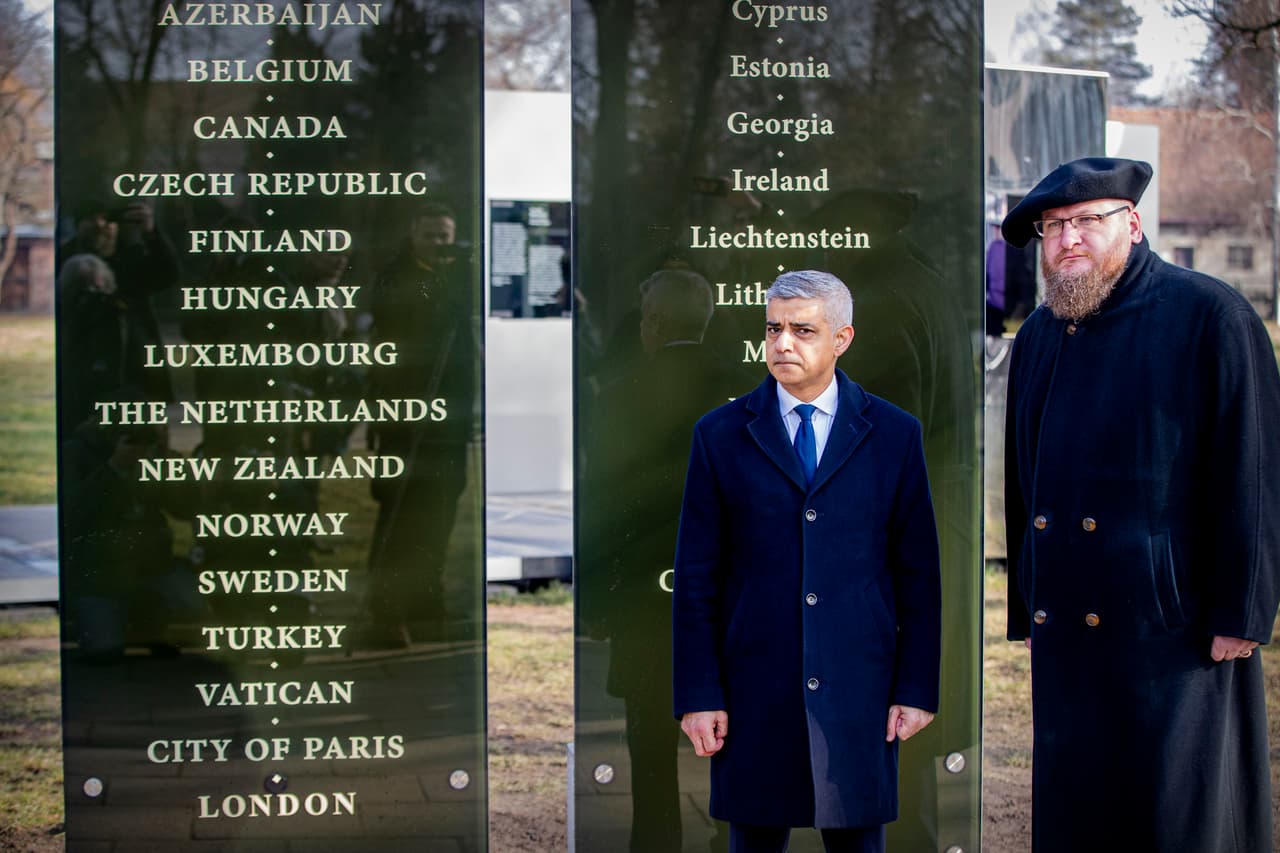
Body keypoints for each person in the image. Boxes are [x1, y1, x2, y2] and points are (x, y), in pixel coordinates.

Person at [1001, 157, 1280, 852]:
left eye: (1085, 222)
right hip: (1068, 625)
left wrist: (1243, 609)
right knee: (1079, 817)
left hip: (1173, 627)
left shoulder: (1209, 313)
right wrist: (1028, 604)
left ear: (1131, 222)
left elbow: (1254, 467)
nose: (1067, 240)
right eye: (1052, 227)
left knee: (1176, 817)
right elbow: (1024, 480)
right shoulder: (1039, 334)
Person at [672, 269, 941, 853]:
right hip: (753, 689)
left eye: (802, 330)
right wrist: (699, 694)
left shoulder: (895, 435)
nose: (783, 343)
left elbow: (918, 574)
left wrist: (916, 686)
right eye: (773, 329)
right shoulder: (719, 436)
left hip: (858, 691)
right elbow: (696, 577)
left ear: (841, 338)